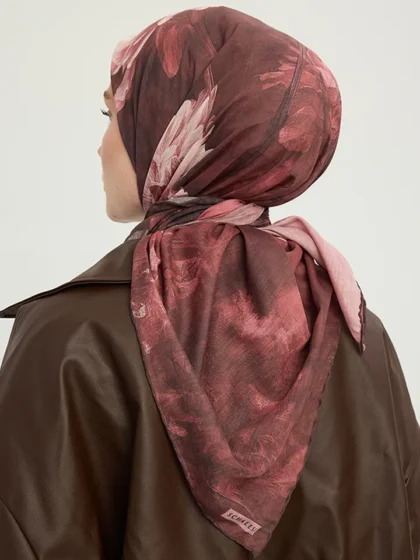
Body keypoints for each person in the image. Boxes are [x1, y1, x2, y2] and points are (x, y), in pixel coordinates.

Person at [0, 6, 418, 559]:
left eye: (113, 114)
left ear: (176, 128)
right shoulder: (361, 336)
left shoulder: (70, 339)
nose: (101, 146)